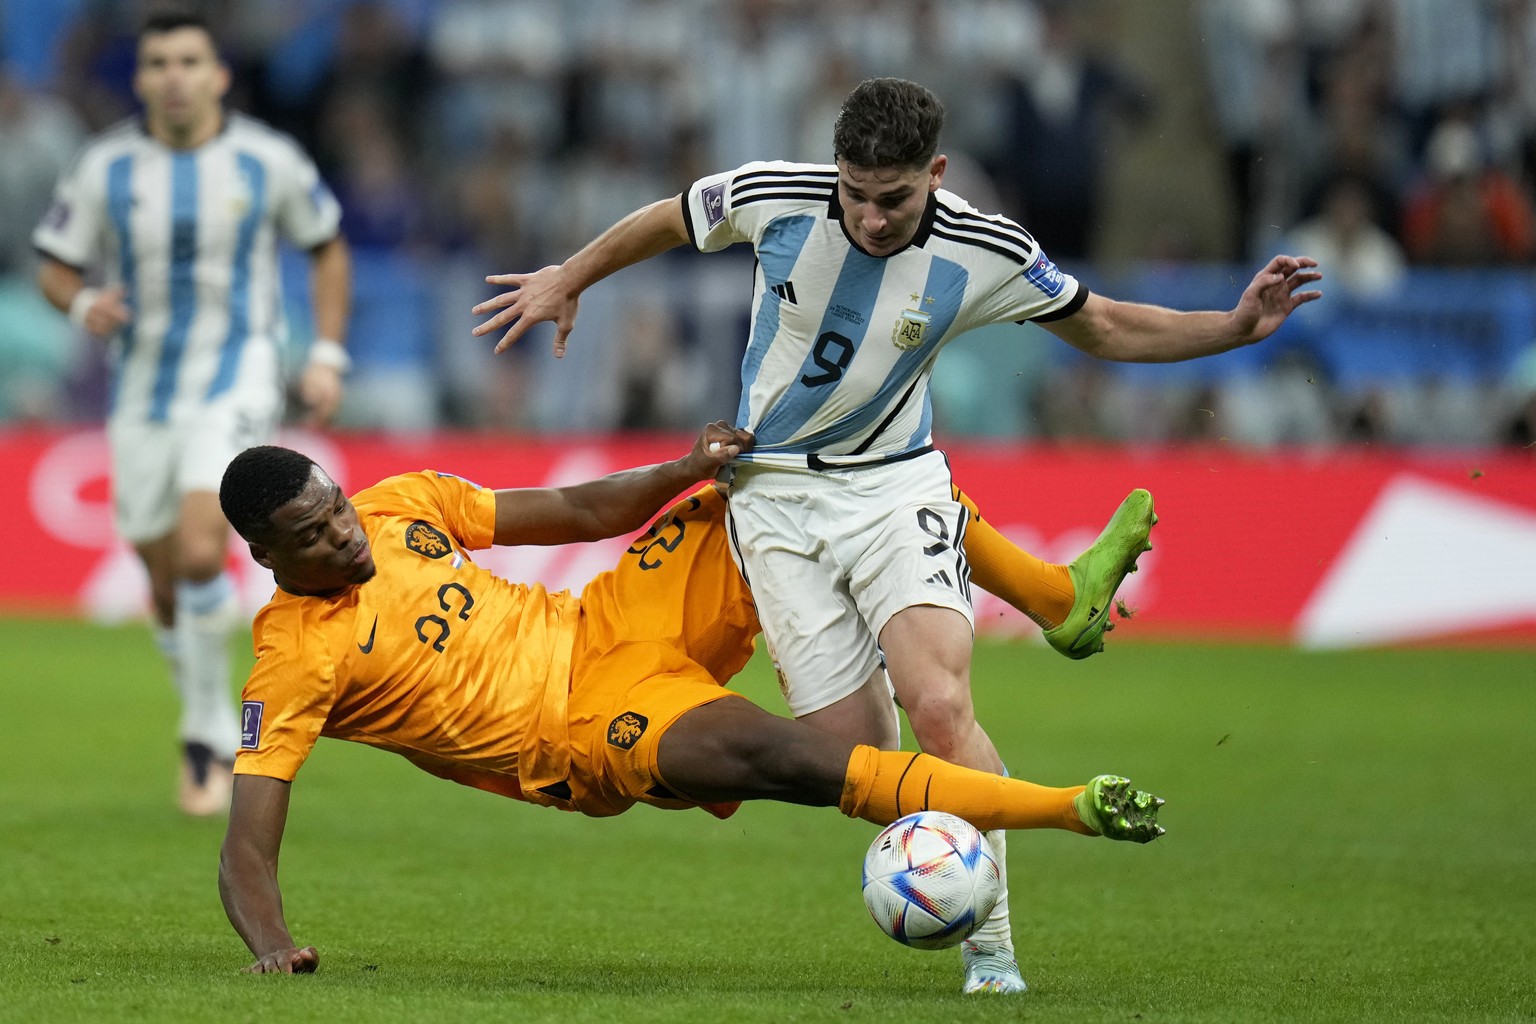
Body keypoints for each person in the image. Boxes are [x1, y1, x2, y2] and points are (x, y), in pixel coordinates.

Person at [471, 76, 1319, 994]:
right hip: (773, 501)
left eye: (896, 198)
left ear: (937, 174)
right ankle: (1047, 618)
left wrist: (1234, 329)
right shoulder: (773, 195)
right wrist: (569, 277)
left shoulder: (984, 247)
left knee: (940, 705)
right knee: (861, 768)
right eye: (857, 194)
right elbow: (670, 217)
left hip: (894, 486)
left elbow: (1106, 324)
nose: (873, 219)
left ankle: (991, 947)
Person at [215, 421, 1165, 974]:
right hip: (579, 733)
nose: (346, 533)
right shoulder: (294, 660)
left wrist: (682, 471)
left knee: (804, 472)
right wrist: (271, 946)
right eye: (314, 531)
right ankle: (1070, 809)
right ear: (264, 554)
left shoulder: (397, 506)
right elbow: (246, 848)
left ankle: (1058, 599)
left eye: (336, 504)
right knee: (790, 761)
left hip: (613, 618)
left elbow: (581, 511)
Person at [32, 11, 353, 816]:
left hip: (239, 373)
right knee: (162, 568)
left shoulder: (266, 160)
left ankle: (214, 730)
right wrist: (83, 307)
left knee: (203, 544)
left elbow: (326, 244)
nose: (173, 75)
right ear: (139, 79)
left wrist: (325, 354)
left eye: (188, 61)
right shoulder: (106, 166)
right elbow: (56, 264)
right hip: (141, 390)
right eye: (158, 63)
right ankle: (201, 711)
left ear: (217, 76)